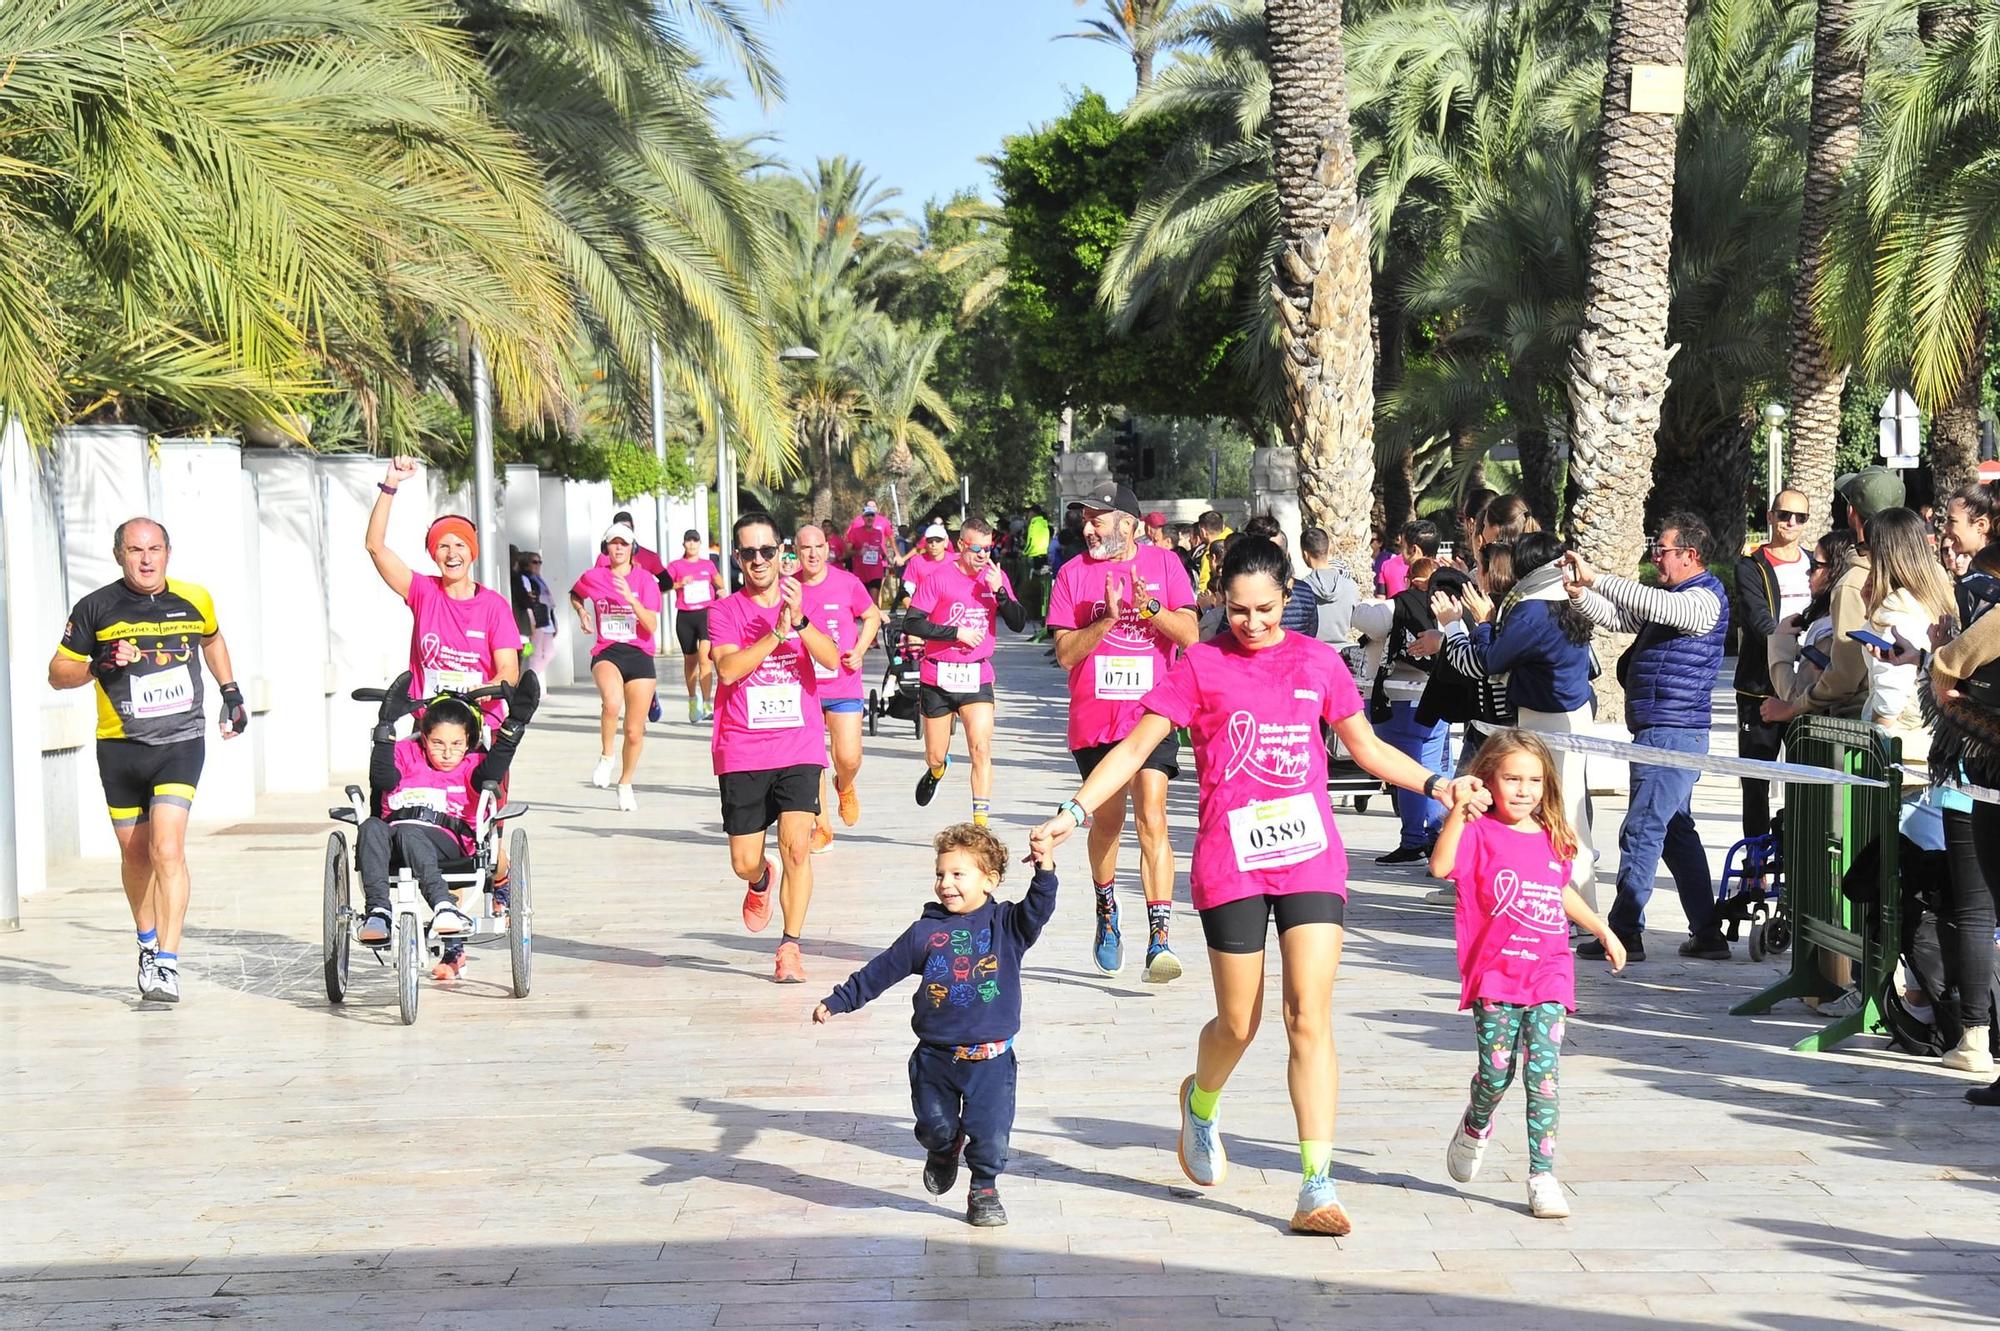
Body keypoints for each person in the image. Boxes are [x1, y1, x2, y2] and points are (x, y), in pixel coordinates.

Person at [1028, 537, 1486, 1235]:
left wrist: (1436, 782)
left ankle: (1317, 1185)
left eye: (1266, 609)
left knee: (1308, 1014)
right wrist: (1075, 810)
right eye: (1238, 610)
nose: (1252, 622)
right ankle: (1201, 1102)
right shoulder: (1198, 665)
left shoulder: (1316, 660)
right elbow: (1131, 747)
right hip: (1230, 861)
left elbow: (1363, 745)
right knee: (1239, 1022)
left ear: (1287, 597)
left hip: (1308, 856)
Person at [812, 824, 1057, 1228]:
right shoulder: (925, 931)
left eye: (959, 875)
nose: (946, 884)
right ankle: (943, 1150)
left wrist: (1045, 868)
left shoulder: (1008, 925)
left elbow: (1039, 906)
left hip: (991, 1060)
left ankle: (984, 1189)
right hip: (935, 1057)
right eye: (941, 874)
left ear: (989, 880)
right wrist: (841, 999)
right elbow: (882, 969)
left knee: (991, 1131)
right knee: (934, 1125)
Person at [49, 518, 247, 1004]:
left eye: (155, 549)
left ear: (168, 552)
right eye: (136, 550)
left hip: (180, 742)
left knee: (167, 849)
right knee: (135, 855)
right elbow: (58, 674)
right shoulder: (96, 607)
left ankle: (168, 963)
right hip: (120, 748)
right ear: (119, 554)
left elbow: (212, 639)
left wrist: (231, 692)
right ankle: (146, 942)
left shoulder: (194, 598)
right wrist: (100, 664)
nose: (146, 559)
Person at [1430, 730, 1625, 1219]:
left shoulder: (1552, 835)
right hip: (1495, 976)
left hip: (1549, 975)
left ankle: (1542, 1174)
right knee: (1496, 1074)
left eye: (1534, 780)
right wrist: (1459, 809)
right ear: (1488, 779)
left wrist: (1602, 928)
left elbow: (1558, 891)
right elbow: (1440, 867)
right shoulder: (1477, 832)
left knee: (1544, 1077)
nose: (1523, 789)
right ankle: (1476, 1125)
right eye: (1512, 778)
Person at [1046, 484, 1199, 981]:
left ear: (1129, 524)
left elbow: (1192, 638)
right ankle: (1107, 910)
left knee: (1153, 817)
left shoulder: (1167, 566)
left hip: (1152, 715)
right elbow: (1066, 654)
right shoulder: (1071, 575)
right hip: (1094, 722)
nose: (1087, 528)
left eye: (1098, 519)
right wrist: (1109, 619)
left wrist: (1150, 609)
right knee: (1108, 821)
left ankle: (1160, 938)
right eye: (1085, 519)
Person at [1564, 512, 1730, 962]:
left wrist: (1597, 577)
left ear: (1690, 555)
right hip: (1663, 731)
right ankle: (1708, 933)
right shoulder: (1674, 598)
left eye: (1663, 550)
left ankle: (1624, 933)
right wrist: (1580, 594)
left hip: (1673, 733)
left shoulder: (1701, 601)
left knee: (1642, 830)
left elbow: (1645, 603)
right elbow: (1619, 617)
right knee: (1675, 832)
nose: (1655, 557)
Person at [1433, 531, 1601, 909]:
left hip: (1548, 721)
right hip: (1560, 716)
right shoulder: (1563, 602)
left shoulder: (1532, 610)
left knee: (1560, 814)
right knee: (1558, 811)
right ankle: (1564, 903)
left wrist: (1466, 626)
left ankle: (1575, 907)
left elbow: (1486, 663)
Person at [710, 512, 842, 983]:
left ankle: (790, 946)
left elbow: (832, 660)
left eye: (768, 551)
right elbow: (727, 671)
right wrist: (776, 634)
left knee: (798, 849)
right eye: (749, 553)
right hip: (743, 749)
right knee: (744, 859)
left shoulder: (805, 598)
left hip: (799, 745)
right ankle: (760, 881)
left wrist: (800, 620)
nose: (760, 560)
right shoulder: (725, 611)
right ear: (738, 558)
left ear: (782, 553)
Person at [355, 675, 539, 945]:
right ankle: (379, 912)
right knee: (370, 826)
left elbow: (495, 768)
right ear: (425, 739)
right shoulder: (407, 752)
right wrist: (385, 728)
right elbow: (382, 780)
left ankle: (444, 906)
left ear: (468, 743)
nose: (447, 753)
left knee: (409, 832)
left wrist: (514, 725)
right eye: (437, 743)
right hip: (392, 837)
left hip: (446, 839)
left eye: (456, 745)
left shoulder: (473, 764)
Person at [365, 457, 522, 732]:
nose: (452, 554)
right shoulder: (423, 592)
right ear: (434, 553)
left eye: (460, 545)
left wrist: (491, 685)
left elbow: (509, 668)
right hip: (430, 725)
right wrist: (391, 483)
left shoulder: (494, 606)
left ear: (472, 552)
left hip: (480, 725)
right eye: (443, 546)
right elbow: (375, 547)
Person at [904, 519, 1028, 824]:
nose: (983, 555)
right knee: (934, 754)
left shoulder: (994, 577)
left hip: (977, 675)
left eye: (988, 549)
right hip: (938, 676)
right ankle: (937, 769)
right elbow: (912, 623)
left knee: (981, 747)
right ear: (961, 546)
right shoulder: (938, 578)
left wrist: (1000, 593)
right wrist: (954, 633)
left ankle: (980, 823)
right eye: (976, 548)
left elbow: (1018, 622)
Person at [1764, 467, 1907, 728]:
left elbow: (1844, 676)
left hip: (1864, 726)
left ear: (1852, 512)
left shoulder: (1853, 583)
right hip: (1919, 723)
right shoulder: (1923, 570)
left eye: (1817, 566)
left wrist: (1794, 706)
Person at [1733, 490, 1815, 842]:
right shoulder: (1751, 566)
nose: (1791, 523)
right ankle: (1755, 867)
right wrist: (1785, 649)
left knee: (1806, 781)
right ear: (1770, 517)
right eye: (1784, 515)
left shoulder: (1815, 563)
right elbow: (1758, 620)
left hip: (1808, 686)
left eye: (1800, 517)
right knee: (1756, 782)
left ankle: (1797, 861)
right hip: (1759, 687)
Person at [1354, 548, 1446, 865]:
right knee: (1433, 772)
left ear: (1410, 580)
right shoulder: (1449, 611)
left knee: (1409, 775)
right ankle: (1438, 837)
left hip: (1402, 703)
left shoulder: (1396, 607)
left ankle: (1412, 840)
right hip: (1438, 701)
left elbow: (1359, 617)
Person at [794, 524, 882, 850]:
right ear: (797, 552)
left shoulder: (847, 583)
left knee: (848, 757)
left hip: (844, 683)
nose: (813, 554)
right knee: (813, 759)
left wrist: (859, 651)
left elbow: (872, 616)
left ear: (828, 549)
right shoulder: (790, 588)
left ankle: (844, 785)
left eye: (819, 547)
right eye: (806, 548)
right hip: (805, 687)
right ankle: (823, 827)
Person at [571, 522, 662, 811]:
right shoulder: (594, 576)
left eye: (624, 543)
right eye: (614, 543)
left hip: (639, 653)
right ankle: (607, 755)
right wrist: (582, 612)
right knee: (612, 702)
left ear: (633, 548)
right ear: (606, 548)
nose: (619, 548)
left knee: (635, 731)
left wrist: (631, 599)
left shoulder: (646, 581)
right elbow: (575, 593)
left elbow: (652, 625)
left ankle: (625, 783)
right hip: (607, 650)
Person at [666, 530, 724, 723]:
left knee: (705, 658)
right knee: (690, 661)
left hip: (705, 615)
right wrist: (680, 583)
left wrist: (722, 593)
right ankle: (693, 701)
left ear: (700, 544)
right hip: (685, 617)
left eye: (695, 541)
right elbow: (662, 586)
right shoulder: (676, 565)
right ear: (684, 544)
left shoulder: (708, 565)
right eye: (688, 541)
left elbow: (719, 584)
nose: (692, 545)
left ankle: (708, 704)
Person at [1298, 527, 1359, 647]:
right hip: (1342, 656)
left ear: (1305, 554)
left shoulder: (1302, 589)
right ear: (1328, 549)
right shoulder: (1350, 586)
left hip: (1313, 652)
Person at [845, 500, 897, 607]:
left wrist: (886, 555)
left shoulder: (878, 533)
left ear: (875, 517)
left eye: (872, 516)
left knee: (874, 602)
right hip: (860, 572)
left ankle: (877, 622)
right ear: (863, 517)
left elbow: (882, 546)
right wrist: (859, 552)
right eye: (867, 516)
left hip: (875, 571)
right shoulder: (855, 532)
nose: (869, 518)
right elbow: (847, 551)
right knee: (861, 603)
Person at [513, 551, 557, 668]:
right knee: (532, 652)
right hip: (535, 621)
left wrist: (554, 622)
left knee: (549, 653)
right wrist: (531, 622)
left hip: (545, 621)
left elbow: (549, 604)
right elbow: (528, 602)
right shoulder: (526, 579)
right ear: (526, 564)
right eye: (534, 562)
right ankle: (528, 676)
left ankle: (531, 674)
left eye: (539, 562)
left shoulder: (539, 580)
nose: (538, 565)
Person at [901, 523, 956, 601]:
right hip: (923, 609)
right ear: (925, 542)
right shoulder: (916, 561)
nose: (934, 544)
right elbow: (906, 589)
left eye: (938, 541)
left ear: (945, 541)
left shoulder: (956, 561)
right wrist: (912, 610)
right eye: (930, 541)